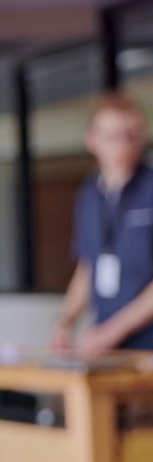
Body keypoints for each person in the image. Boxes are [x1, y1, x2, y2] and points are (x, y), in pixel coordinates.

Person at [52, 92, 153, 359]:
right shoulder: (89, 194)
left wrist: (112, 331)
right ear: (92, 140)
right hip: (108, 344)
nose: (124, 144)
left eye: (133, 135)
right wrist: (66, 321)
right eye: (113, 136)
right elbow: (89, 266)